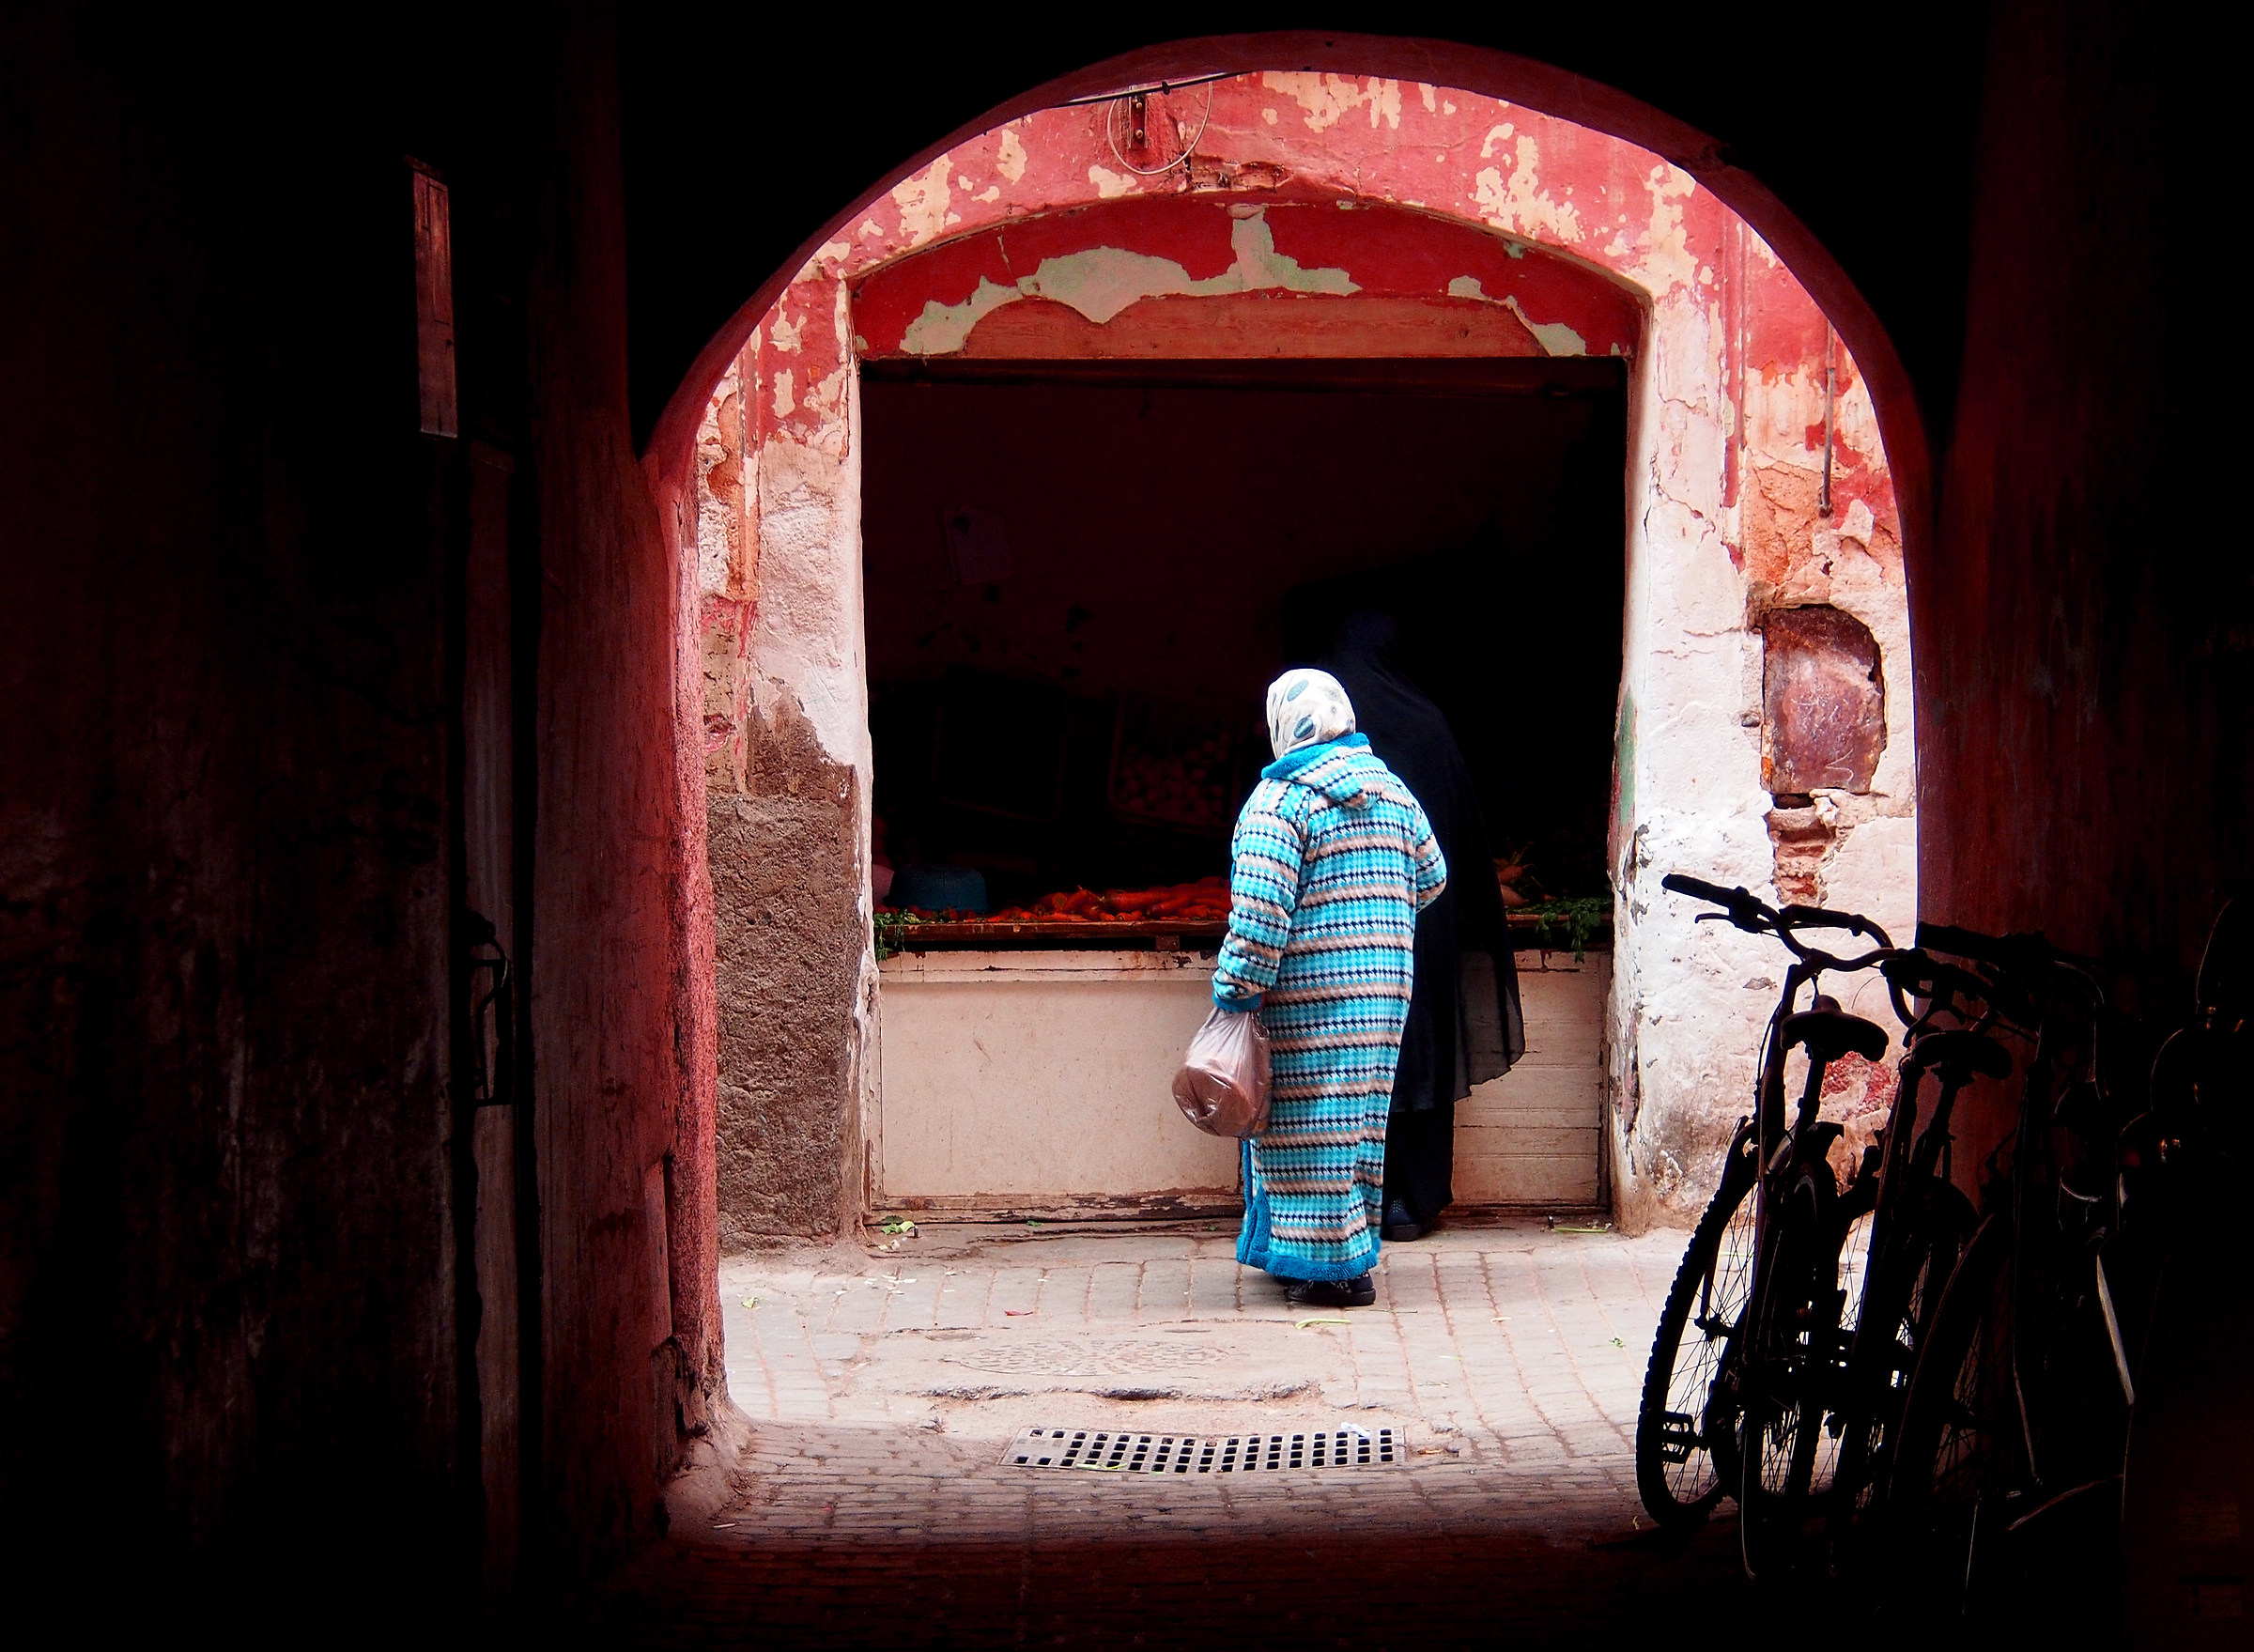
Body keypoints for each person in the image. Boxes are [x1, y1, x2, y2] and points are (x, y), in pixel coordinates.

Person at [1212, 668, 1446, 1308]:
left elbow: (1258, 918)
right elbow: (1433, 877)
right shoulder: (1392, 791)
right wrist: (1375, 917)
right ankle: (1323, 1254)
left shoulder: (1280, 803)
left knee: (1302, 1127)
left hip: (1307, 997)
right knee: (1356, 1126)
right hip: (1383, 993)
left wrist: (1235, 990)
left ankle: (1335, 1272)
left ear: (1283, 726)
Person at [1324, 610, 1523, 1241]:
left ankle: (1362, 1199)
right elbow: (1454, 846)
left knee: (1359, 1058)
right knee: (1423, 1047)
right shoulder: (1430, 728)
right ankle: (1418, 1196)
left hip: (1349, 932)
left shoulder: (1331, 739)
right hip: (1423, 929)